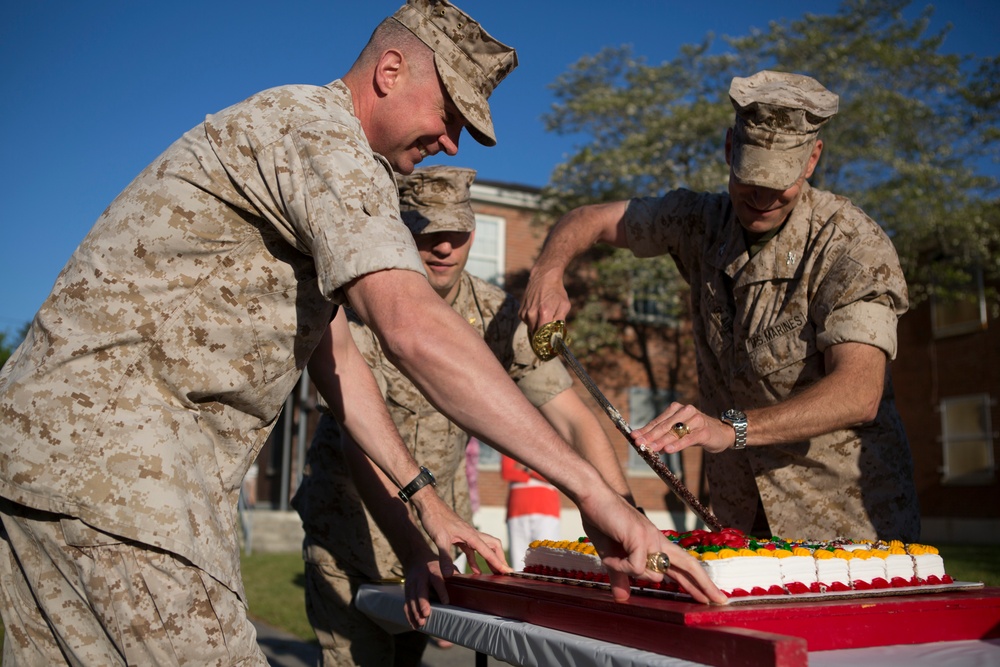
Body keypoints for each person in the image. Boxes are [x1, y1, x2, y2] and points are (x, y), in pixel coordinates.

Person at [0, 1, 724, 662]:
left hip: (65, 468)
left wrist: (427, 504)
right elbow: (409, 327)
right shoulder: (323, 135)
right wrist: (595, 494)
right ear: (388, 71)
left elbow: (337, 357)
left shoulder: (305, 151)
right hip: (118, 477)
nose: (448, 140)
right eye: (448, 115)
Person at [520, 70, 920, 543]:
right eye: (750, 178)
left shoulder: (851, 246)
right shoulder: (699, 222)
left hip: (841, 518)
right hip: (737, 513)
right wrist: (548, 270)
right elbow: (588, 219)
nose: (762, 197)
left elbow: (859, 391)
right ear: (731, 149)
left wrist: (730, 429)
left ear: (812, 159)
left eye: (779, 182)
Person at [293, 165, 636, 667]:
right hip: (353, 535)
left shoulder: (495, 313)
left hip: (443, 541)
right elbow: (356, 441)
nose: (444, 248)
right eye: (427, 233)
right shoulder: (358, 307)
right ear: (400, 232)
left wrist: (625, 513)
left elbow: (573, 418)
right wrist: (414, 549)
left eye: (456, 233)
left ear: (472, 232)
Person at [501, 454, 561, 572]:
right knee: (519, 561)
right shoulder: (512, 443)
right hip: (517, 508)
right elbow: (507, 472)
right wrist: (537, 471)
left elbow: (555, 475)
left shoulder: (552, 446)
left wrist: (526, 469)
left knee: (548, 560)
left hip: (546, 508)